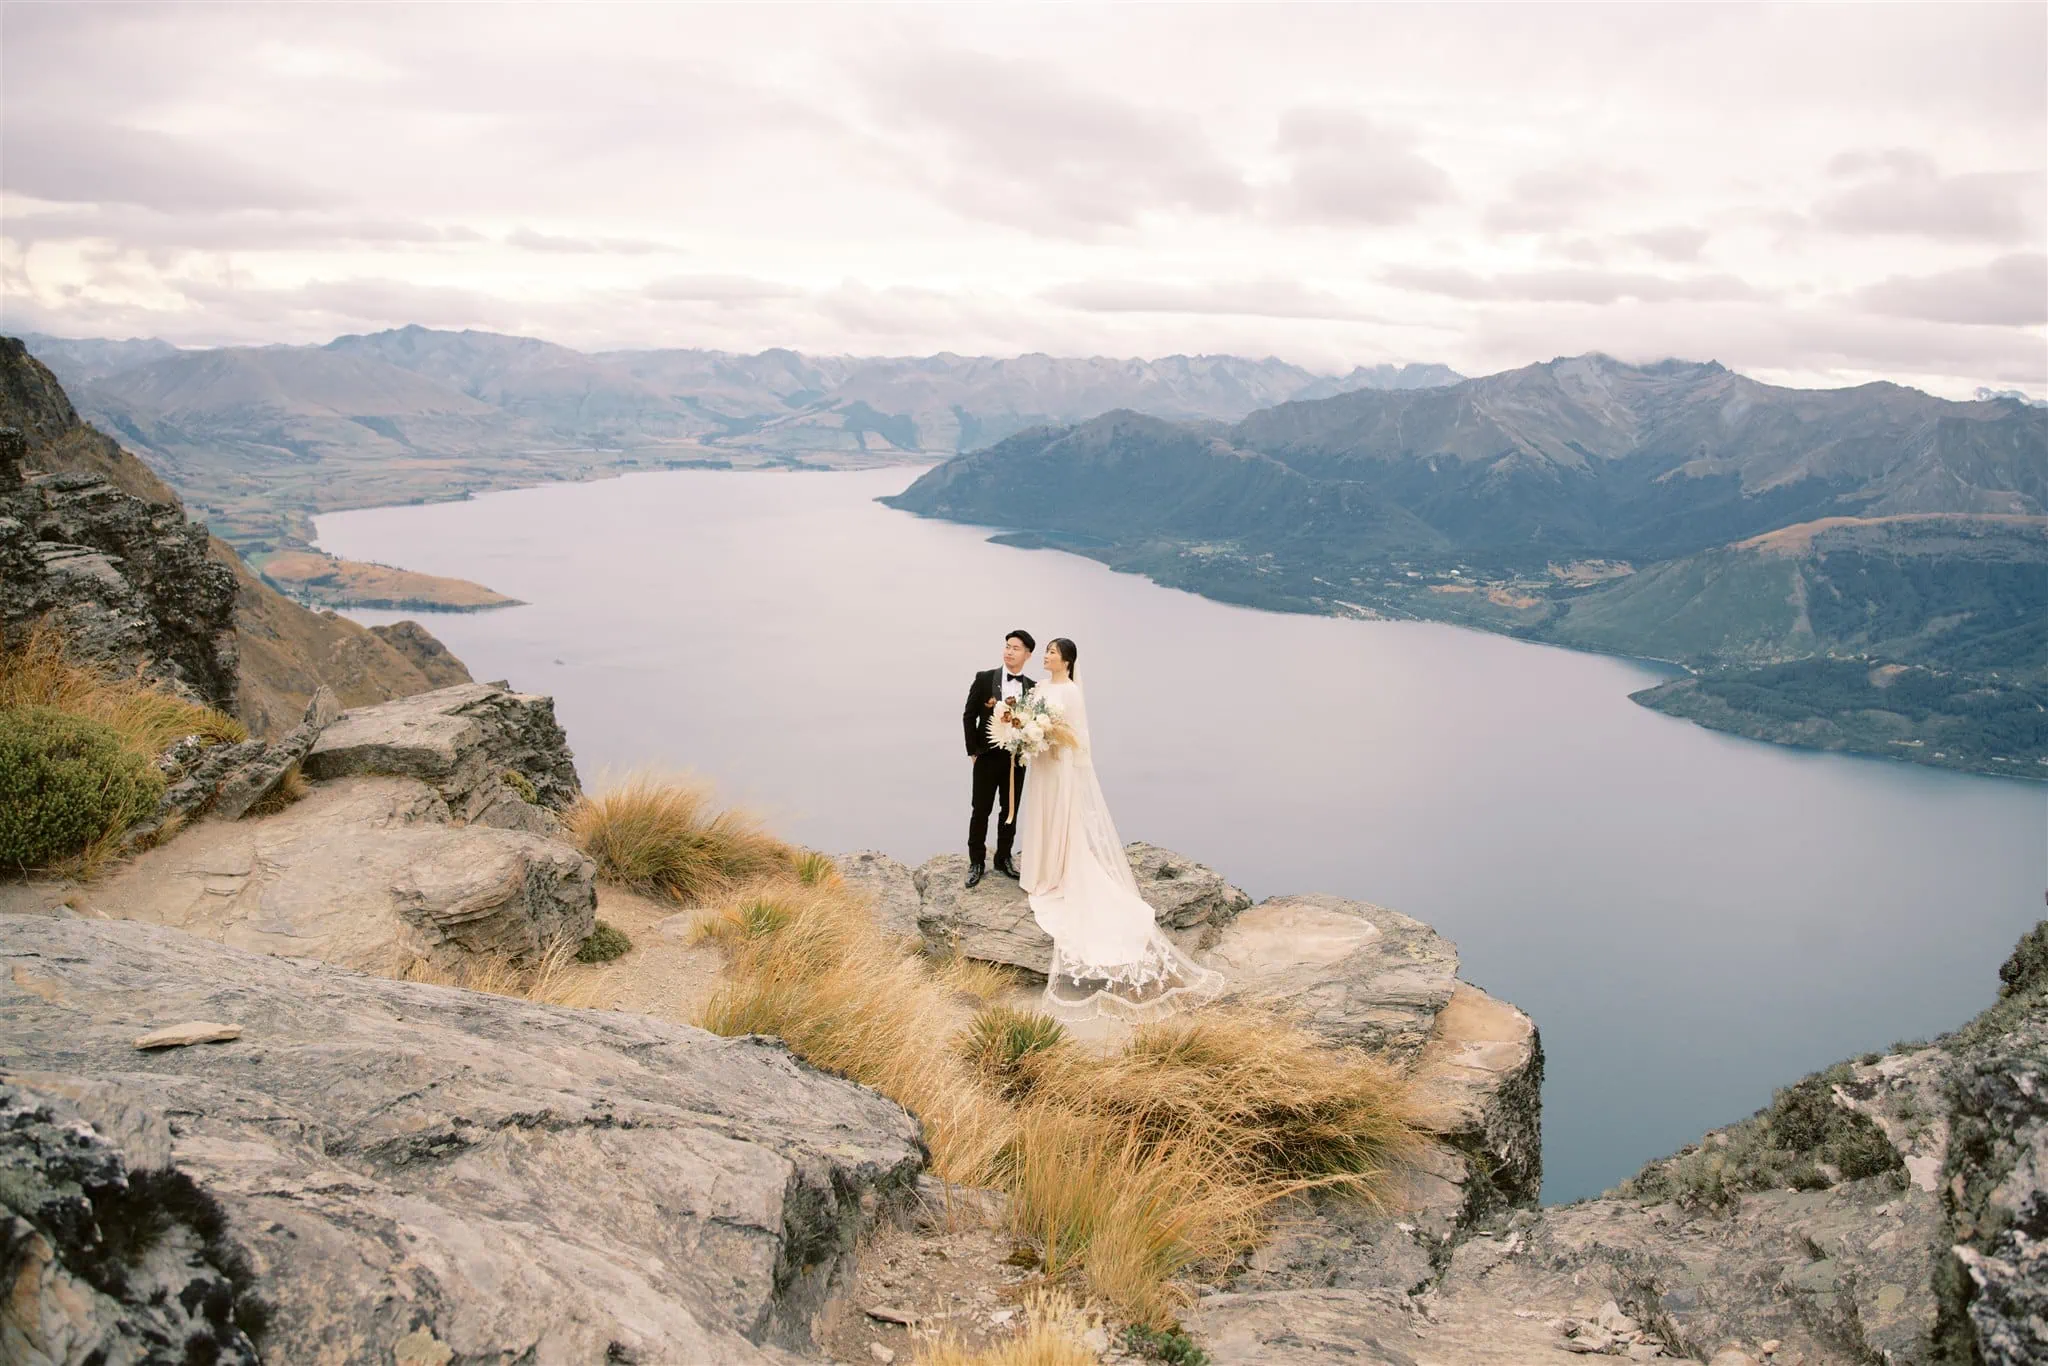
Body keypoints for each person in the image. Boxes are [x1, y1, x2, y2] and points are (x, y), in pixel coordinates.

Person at [1016, 637, 1224, 1021]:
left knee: (1059, 822)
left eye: (1051, 652)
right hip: (1042, 766)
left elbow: (1077, 738)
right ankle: (1039, 868)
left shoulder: (1072, 693)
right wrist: (1030, 736)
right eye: (1044, 651)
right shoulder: (1041, 687)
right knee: (1040, 817)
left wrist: (1053, 747)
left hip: (1060, 768)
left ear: (1067, 660)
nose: (1045, 656)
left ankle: (1055, 871)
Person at [962, 629, 1035, 889]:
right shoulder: (985, 679)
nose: (1009, 651)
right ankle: (976, 862)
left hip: (1016, 762)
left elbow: (1034, 724)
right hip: (986, 758)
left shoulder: (1032, 688)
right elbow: (969, 716)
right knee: (980, 810)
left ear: (1027, 654)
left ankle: (1003, 858)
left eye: (1015, 648)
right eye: (1007, 646)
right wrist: (973, 751)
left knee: (1010, 811)